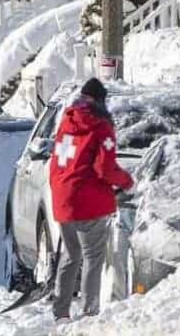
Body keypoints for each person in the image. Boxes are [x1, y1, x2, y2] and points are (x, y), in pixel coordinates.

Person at [49, 78, 134, 323]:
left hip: (63, 197)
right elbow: (105, 167)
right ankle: (89, 313)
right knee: (93, 257)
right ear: (100, 100)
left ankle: (61, 312)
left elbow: (59, 161)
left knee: (70, 254)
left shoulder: (66, 122)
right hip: (88, 201)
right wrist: (127, 182)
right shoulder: (102, 127)